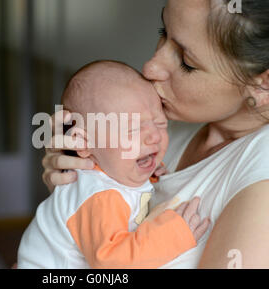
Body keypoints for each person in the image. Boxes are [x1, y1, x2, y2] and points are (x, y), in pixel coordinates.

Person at [41, 0, 269, 268]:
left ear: (265, 84)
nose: (150, 67)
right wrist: (78, 190)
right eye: (163, 34)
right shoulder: (172, 127)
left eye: (186, 61)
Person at [18, 61, 210, 269]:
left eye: (160, 123)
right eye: (133, 129)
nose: (154, 136)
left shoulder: (111, 170)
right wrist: (174, 236)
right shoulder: (99, 196)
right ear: (84, 143)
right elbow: (111, 262)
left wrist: (150, 171)